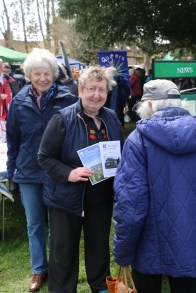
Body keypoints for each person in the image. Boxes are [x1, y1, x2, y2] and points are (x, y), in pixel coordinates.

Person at [113, 79, 196, 293]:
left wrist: (123, 252)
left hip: (147, 244)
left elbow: (130, 205)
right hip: (191, 240)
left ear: (148, 105)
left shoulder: (137, 141)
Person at [37, 66, 124, 293]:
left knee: (99, 248)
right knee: (63, 251)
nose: (96, 95)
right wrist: (69, 173)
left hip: (101, 199)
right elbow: (44, 157)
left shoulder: (112, 118)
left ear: (107, 93)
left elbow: (120, 152)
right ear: (81, 90)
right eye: (91, 89)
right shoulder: (63, 119)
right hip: (66, 198)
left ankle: (102, 287)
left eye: (102, 90)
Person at [6, 48, 78, 292]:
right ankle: (39, 269)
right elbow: (13, 141)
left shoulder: (67, 99)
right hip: (28, 172)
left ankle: (56, 269)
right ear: (29, 75)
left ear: (53, 73)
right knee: (34, 224)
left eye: (47, 73)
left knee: (56, 224)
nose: (43, 79)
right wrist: (11, 174)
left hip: (56, 171)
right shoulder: (18, 102)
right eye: (37, 74)